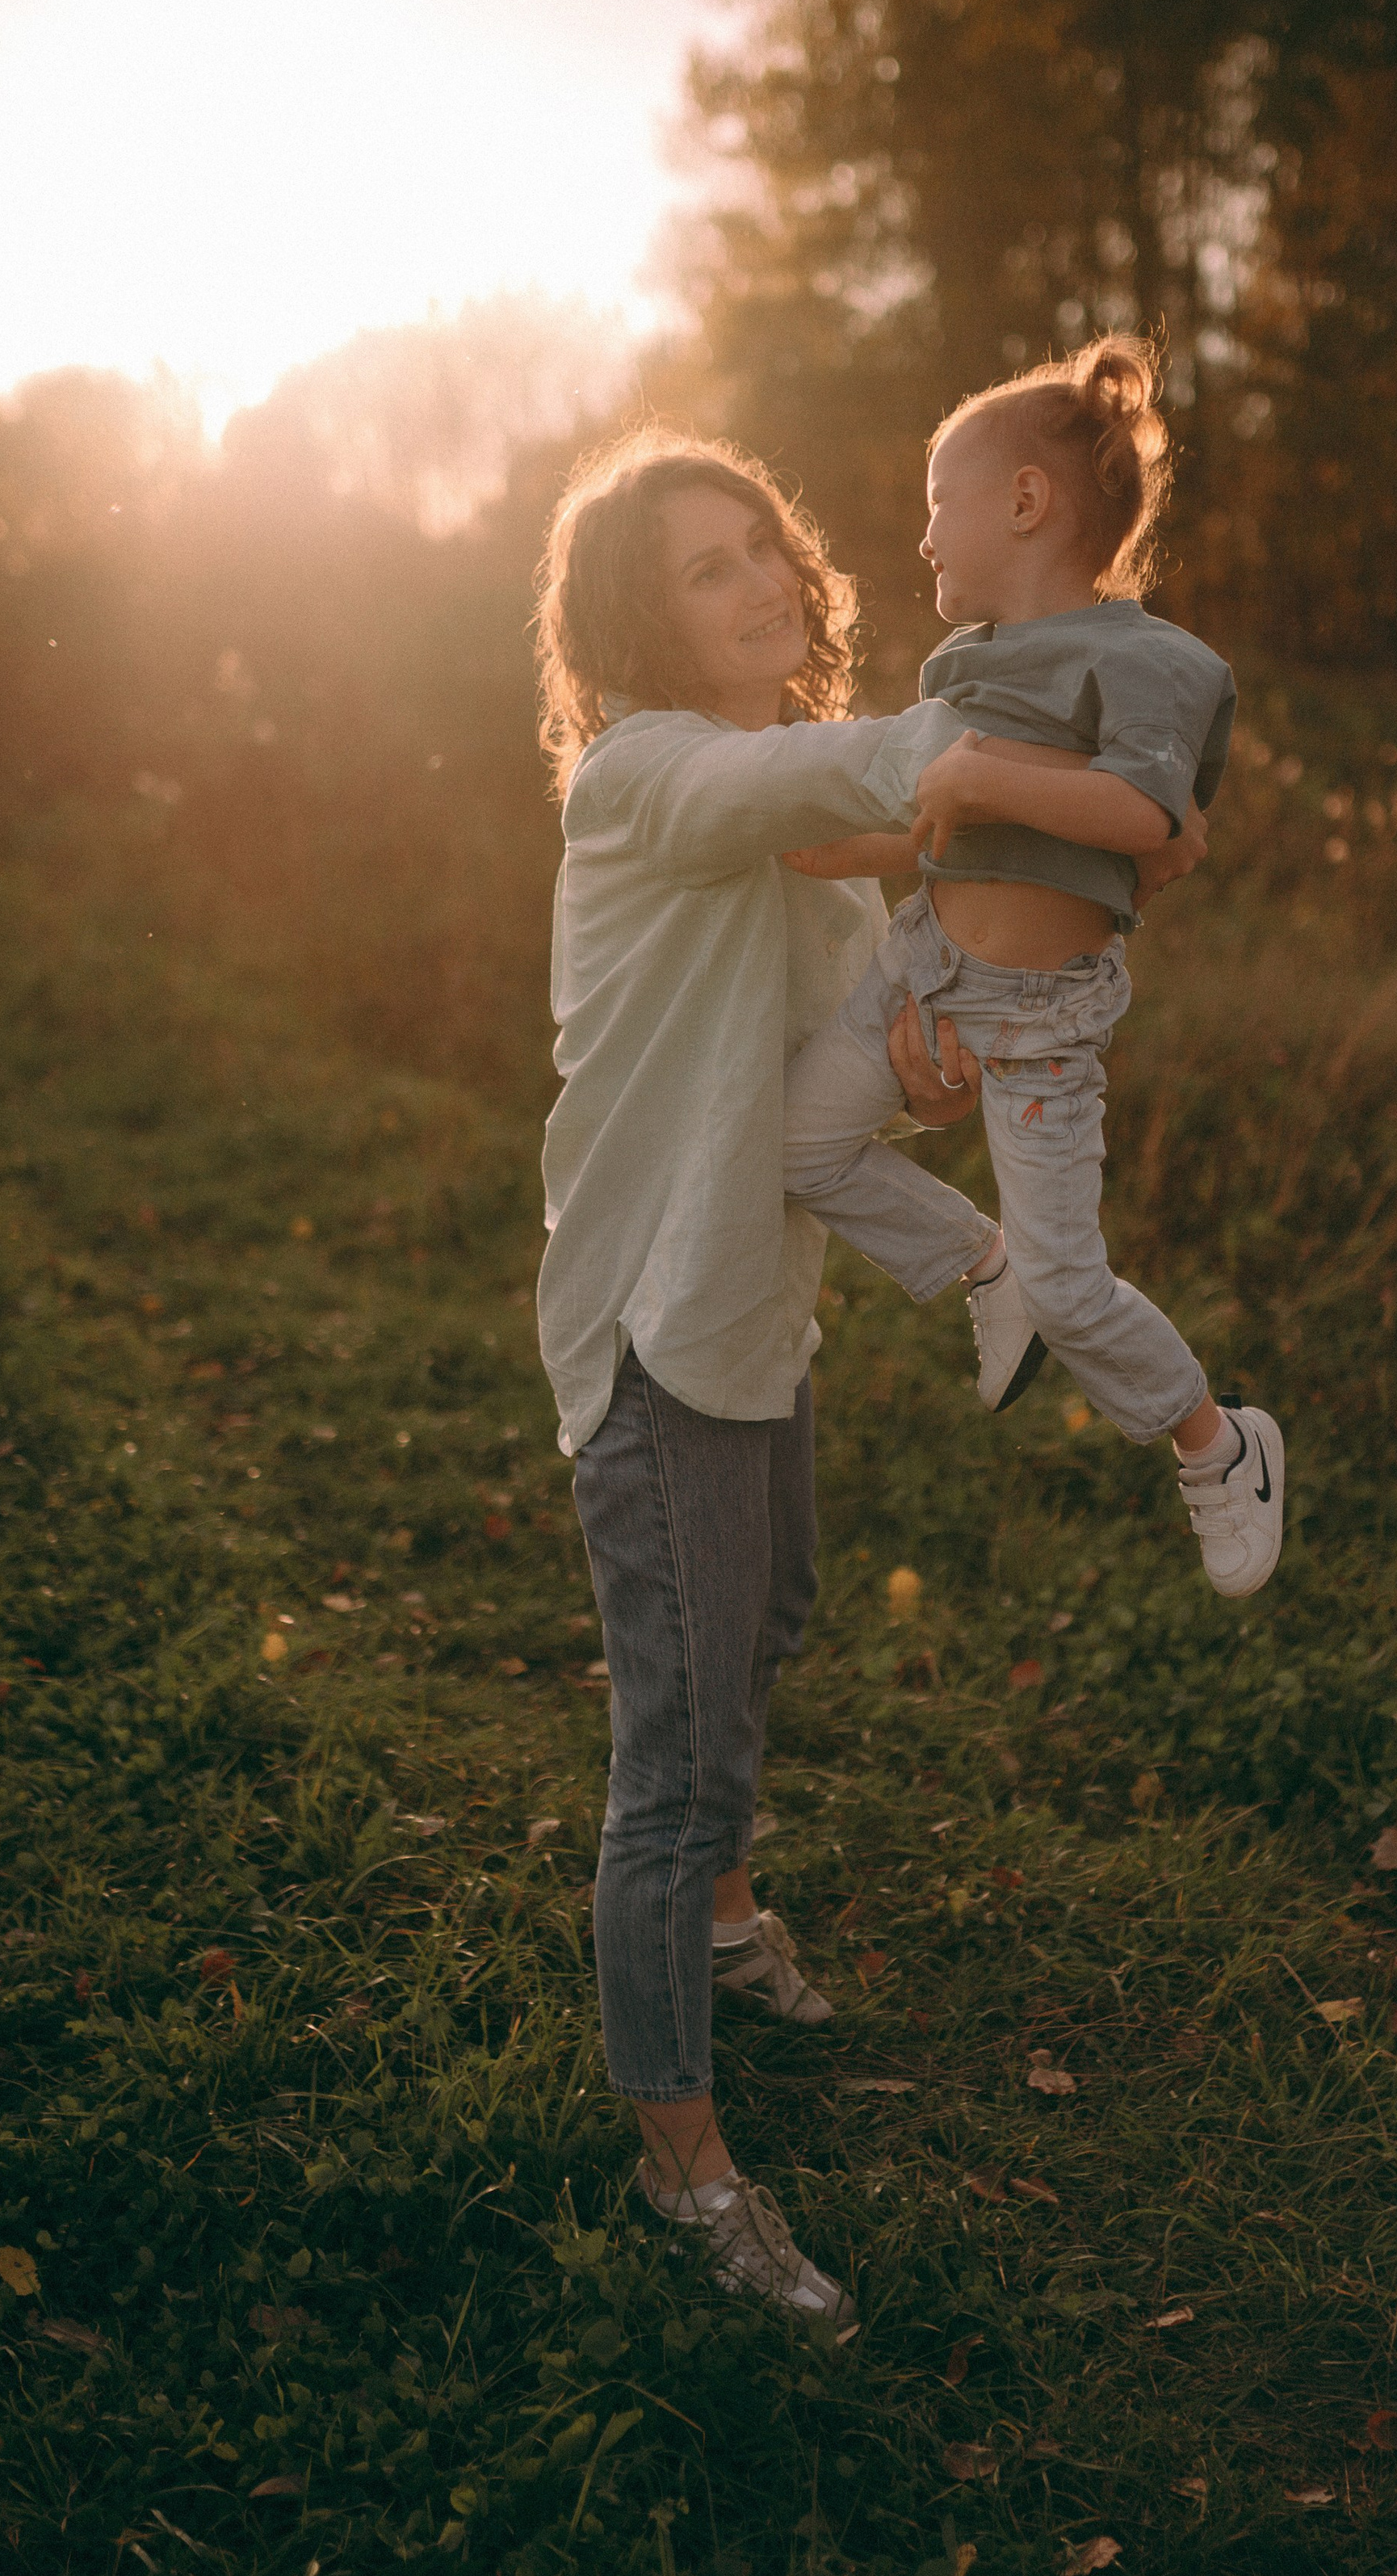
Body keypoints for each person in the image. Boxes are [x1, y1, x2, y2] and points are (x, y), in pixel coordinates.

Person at [529, 428, 1202, 2335]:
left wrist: (918, 1061)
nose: (754, 583)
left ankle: (727, 1930)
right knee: (668, 1755)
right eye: (699, 568)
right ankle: (685, 2169)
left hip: (760, 1298)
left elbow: (868, 959)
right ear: (630, 625)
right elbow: (869, 770)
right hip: (656, 1314)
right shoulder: (647, 778)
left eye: (760, 547)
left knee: (776, 1618)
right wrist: (1121, 776)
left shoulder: (792, 838)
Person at [779, 334, 1284, 1600]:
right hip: (922, 963)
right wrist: (808, 834)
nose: (925, 539)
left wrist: (977, 774)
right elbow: (954, 826)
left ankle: (1218, 1446)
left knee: (1076, 1290)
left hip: (1041, 1023)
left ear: (1024, 501)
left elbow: (1153, 821)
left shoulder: (1146, 662)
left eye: (938, 503)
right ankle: (975, 1261)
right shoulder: (963, 667)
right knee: (796, 1146)